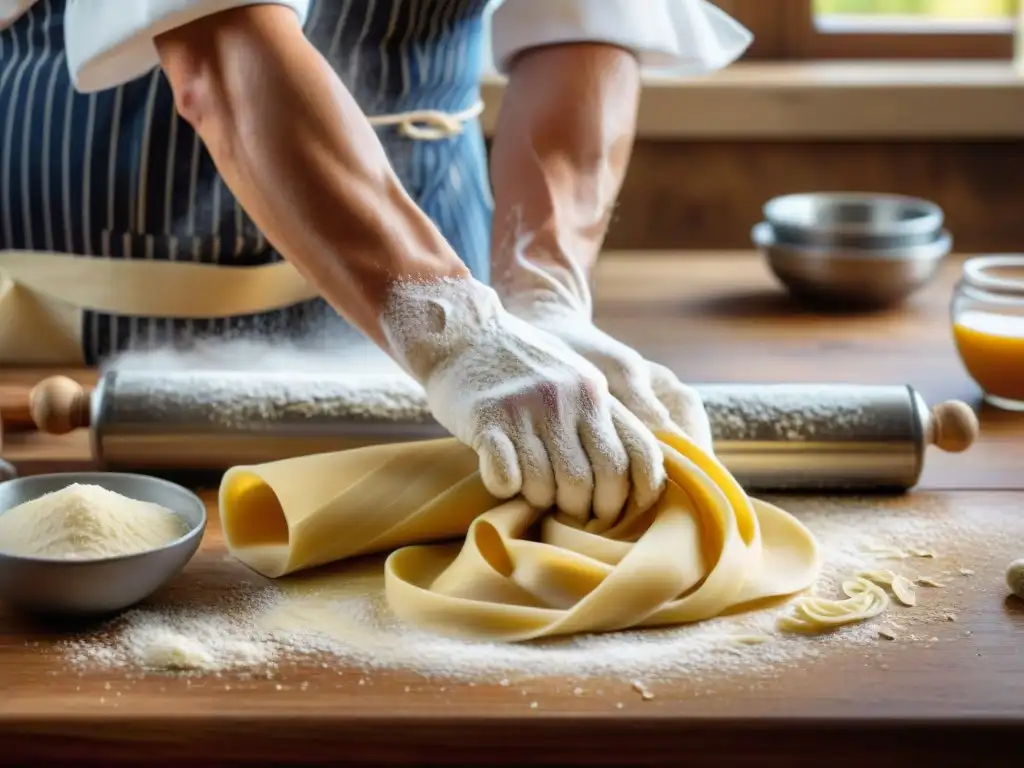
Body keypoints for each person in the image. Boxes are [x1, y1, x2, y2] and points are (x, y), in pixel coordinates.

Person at [0, 0, 750, 520]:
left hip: (443, 338)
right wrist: (454, 335)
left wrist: (540, 295)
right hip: (86, 344)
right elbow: (219, 50)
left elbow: (584, 32)